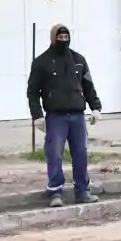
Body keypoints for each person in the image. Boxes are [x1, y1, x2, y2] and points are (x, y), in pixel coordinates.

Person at [27, 24, 102, 207]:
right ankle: (55, 192)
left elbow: (88, 86)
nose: (63, 40)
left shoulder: (79, 60)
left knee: (81, 154)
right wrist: (37, 115)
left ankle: (82, 191)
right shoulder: (41, 62)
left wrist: (96, 107)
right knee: (55, 154)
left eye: (66, 38)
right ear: (53, 38)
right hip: (56, 117)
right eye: (60, 38)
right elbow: (32, 91)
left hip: (77, 116)